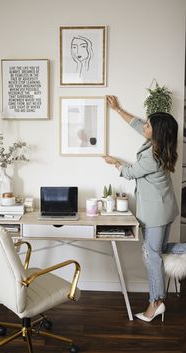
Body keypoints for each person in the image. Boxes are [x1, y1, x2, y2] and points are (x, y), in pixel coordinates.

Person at [103, 95, 186, 322]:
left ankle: (156, 302)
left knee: (152, 256)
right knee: (157, 250)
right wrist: (118, 109)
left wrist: (114, 162)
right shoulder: (162, 144)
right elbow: (138, 124)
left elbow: (130, 173)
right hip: (165, 208)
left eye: (149, 125)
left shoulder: (153, 155)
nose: (144, 126)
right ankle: (157, 300)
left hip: (156, 214)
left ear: (156, 132)